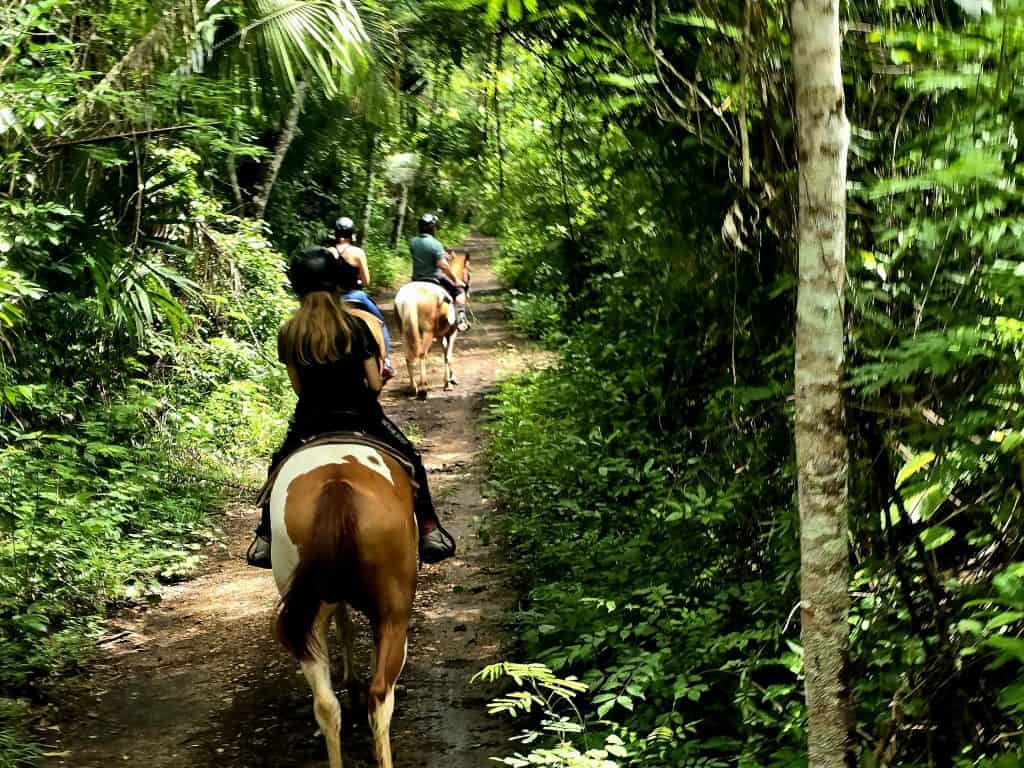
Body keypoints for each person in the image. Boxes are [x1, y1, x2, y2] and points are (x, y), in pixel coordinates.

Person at [246, 246, 457, 569]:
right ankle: (429, 530)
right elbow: (373, 385)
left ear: (297, 287)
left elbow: (299, 388)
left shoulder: (289, 332)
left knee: (277, 468)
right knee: (411, 459)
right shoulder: (356, 327)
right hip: (363, 417)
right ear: (336, 284)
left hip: (310, 421)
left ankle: (266, 537)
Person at [328, 217, 395, 380]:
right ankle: (386, 362)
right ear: (351, 234)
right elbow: (366, 281)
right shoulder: (357, 253)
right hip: (355, 296)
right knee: (380, 323)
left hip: (333, 298)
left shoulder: (327, 252)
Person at [409, 213, 471, 332]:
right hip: (435, 277)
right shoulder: (436, 244)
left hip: (416, 278)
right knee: (459, 293)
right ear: (432, 228)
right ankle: (461, 319)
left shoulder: (413, 242)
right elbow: (443, 265)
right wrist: (456, 279)